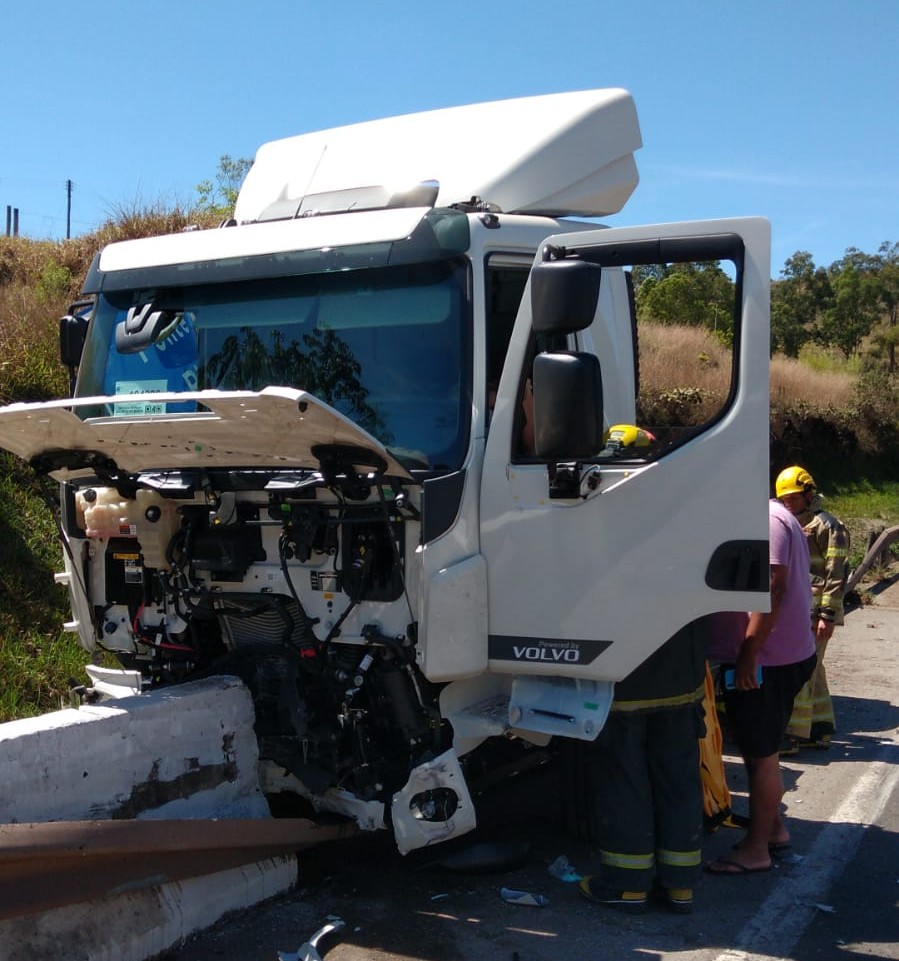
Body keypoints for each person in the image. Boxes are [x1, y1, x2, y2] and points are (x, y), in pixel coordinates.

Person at [704, 500, 817, 875]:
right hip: (778, 656)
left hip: (766, 661)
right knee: (761, 748)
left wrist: (749, 654)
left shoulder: (764, 519)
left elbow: (774, 589)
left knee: (760, 756)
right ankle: (774, 830)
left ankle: (755, 851)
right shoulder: (774, 514)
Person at [579, 619, 707, 914]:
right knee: (679, 781)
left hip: (625, 680)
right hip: (681, 677)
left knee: (624, 782)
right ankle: (680, 883)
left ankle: (627, 884)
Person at [775, 465, 850, 752]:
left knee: (801, 669)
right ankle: (819, 728)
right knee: (814, 668)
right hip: (804, 609)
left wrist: (827, 616)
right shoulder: (793, 523)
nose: (788, 504)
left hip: (817, 612)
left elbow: (836, 574)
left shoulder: (828, 526)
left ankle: (793, 734)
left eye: (794, 498)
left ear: (809, 494)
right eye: (785, 499)